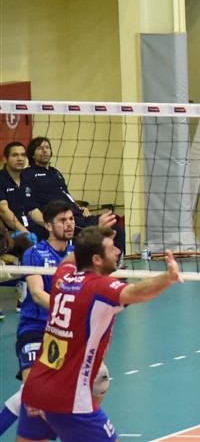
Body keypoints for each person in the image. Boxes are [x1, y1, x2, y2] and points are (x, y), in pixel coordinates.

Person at [15, 225, 183, 441]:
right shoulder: (100, 288)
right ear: (96, 259)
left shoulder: (63, 276)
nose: (117, 251)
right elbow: (137, 292)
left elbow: (71, 258)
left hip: (35, 389)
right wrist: (168, 277)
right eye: (111, 248)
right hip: (69, 399)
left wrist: (93, 235)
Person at [0, 200, 114, 435]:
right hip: (36, 328)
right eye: (63, 220)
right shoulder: (35, 253)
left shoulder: (77, 255)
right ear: (49, 226)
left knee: (99, 379)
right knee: (33, 391)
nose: (69, 224)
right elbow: (37, 293)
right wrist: (70, 307)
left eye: (71, 219)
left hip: (67, 332)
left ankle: (80, 430)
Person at [25, 136, 126, 255]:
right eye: (39, 148)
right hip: (64, 219)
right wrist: (50, 223)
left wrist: (79, 207)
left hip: (78, 215)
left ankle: (112, 262)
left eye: (47, 147)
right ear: (32, 154)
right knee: (99, 232)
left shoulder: (55, 172)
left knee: (118, 230)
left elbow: (66, 195)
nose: (44, 150)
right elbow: (31, 206)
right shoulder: (28, 174)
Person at [0, 141, 35, 241]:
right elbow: (3, 211)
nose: (20, 159)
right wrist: (26, 233)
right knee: (27, 242)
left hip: (28, 227)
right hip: (7, 233)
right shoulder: (1, 179)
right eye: (15, 155)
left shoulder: (26, 179)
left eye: (23, 155)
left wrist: (48, 225)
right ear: (5, 159)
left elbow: (32, 209)